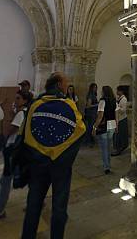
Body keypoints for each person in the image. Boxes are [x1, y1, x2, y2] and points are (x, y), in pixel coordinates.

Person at [21, 72, 86, 239]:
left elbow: (26, 134)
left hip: (37, 164)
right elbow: (79, 131)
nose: (67, 85)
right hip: (59, 166)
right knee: (59, 206)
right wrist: (63, 157)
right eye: (65, 83)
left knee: (33, 205)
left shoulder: (35, 105)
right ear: (58, 85)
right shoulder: (69, 104)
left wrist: (37, 155)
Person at [0, 90, 32, 223]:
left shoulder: (21, 113)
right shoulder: (25, 112)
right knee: (23, 178)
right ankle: (36, 201)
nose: (15, 101)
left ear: (25, 100)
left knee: (6, 180)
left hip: (14, 150)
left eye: (18, 98)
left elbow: (10, 130)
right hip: (19, 150)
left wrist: (8, 126)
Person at [93, 86, 117, 174]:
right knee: (108, 147)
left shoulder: (102, 101)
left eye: (102, 91)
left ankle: (106, 167)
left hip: (104, 125)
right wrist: (116, 126)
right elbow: (116, 114)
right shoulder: (114, 100)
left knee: (104, 148)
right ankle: (108, 165)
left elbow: (100, 116)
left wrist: (94, 127)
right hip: (112, 125)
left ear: (104, 92)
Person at [112, 85, 129, 155]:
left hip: (122, 119)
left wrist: (116, 106)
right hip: (118, 119)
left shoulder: (124, 99)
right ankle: (117, 148)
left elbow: (123, 110)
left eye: (118, 90)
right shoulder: (119, 98)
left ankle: (119, 149)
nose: (116, 92)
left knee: (120, 134)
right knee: (117, 134)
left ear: (121, 91)